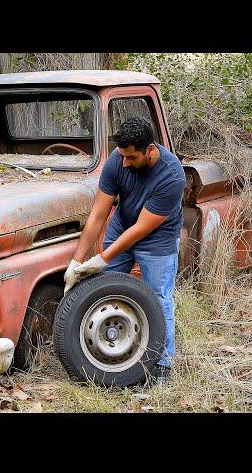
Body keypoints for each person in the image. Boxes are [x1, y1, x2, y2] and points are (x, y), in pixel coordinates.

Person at [64, 116, 186, 385]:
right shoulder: (117, 162)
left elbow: (141, 230)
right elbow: (98, 215)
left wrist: (102, 258)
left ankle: (161, 363)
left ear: (150, 150)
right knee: (105, 285)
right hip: (123, 225)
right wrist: (77, 261)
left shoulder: (172, 175)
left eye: (131, 158)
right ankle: (111, 353)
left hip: (158, 237)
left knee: (159, 298)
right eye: (121, 156)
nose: (124, 163)